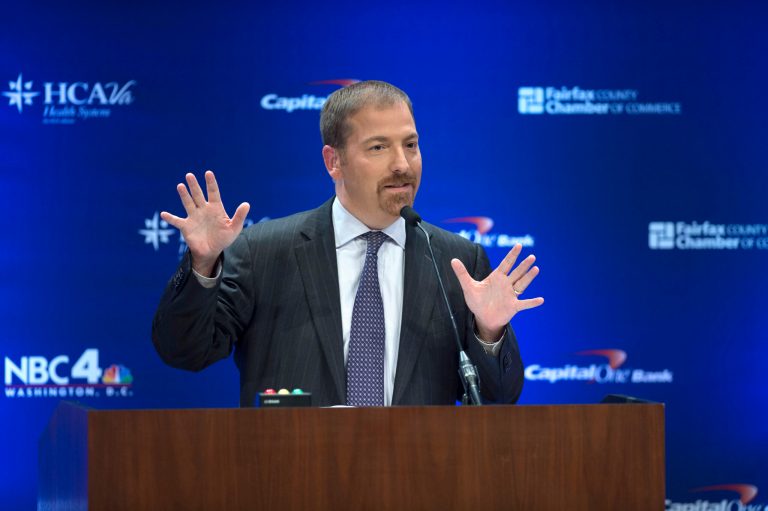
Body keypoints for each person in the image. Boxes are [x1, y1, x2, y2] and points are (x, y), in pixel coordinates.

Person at [152, 80, 543, 407]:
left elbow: (497, 400)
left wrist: (488, 335)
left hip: (417, 481)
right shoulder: (265, 251)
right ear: (333, 161)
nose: (402, 165)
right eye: (379, 147)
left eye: (410, 144)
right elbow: (186, 352)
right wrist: (203, 267)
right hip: (294, 480)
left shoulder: (456, 260)